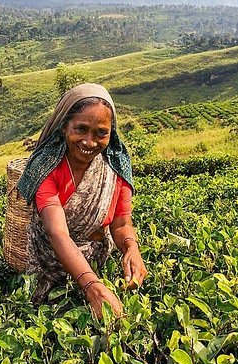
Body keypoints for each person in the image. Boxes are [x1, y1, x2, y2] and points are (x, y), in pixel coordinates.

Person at [17, 83, 147, 319]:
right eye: (81, 129)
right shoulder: (46, 170)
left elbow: (121, 224)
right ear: (65, 127)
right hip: (51, 263)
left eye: (101, 133)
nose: (89, 142)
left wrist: (131, 248)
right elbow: (58, 234)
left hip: (97, 261)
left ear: (111, 132)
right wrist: (92, 287)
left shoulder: (114, 169)